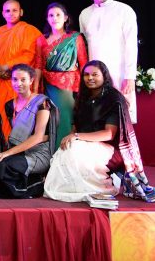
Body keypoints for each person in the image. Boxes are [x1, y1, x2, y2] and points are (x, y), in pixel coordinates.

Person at [44, 61, 154, 203]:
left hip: (112, 150)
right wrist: (71, 136)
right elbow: (76, 127)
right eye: (86, 75)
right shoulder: (83, 97)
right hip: (86, 143)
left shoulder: (113, 98)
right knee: (66, 149)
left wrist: (77, 136)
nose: (90, 78)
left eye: (95, 74)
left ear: (104, 76)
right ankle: (71, 188)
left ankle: (105, 185)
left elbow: (109, 134)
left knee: (75, 148)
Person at [0, 64, 58, 198]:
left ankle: (37, 183)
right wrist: (7, 153)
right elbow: (18, 135)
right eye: (15, 79)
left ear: (31, 80)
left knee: (5, 168)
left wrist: (7, 153)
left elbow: (38, 137)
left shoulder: (42, 103)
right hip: (18, 152)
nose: (18, 83)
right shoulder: (9, 105)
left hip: (37, 154)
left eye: (23, 80)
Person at [79, 0, 138, 122]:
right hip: (95, 75)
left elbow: (131, 45)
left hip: (119, 72)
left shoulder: (124, 10)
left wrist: (130, 76)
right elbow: (83, 46)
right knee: (98, 118)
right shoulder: (84, 14)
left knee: (122, 117)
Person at [0, 0, 42, 139]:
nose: (11, 13)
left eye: (14, 10)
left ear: (21, 12)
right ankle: (8, 144)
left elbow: (29, 55)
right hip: (0, 80)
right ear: (3, 14)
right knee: (4, 113)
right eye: (7, 11)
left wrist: (7, 66)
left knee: (20, 113)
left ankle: (20, 146)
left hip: (19, 80)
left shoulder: (29, 30)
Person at [34, 3, 88, 148]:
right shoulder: (41, 40)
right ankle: (54, 156)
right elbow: (38, 66)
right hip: (48, 86)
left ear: (66, 18)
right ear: (47, 19)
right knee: (52, 120)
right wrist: (35, 91)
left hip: (69, 86)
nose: (54, 18)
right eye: (51, 15)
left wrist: (86, 89)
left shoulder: (74, 37)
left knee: (66, 118)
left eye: (58, 15)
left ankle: (65, 154)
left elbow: (84, 63)